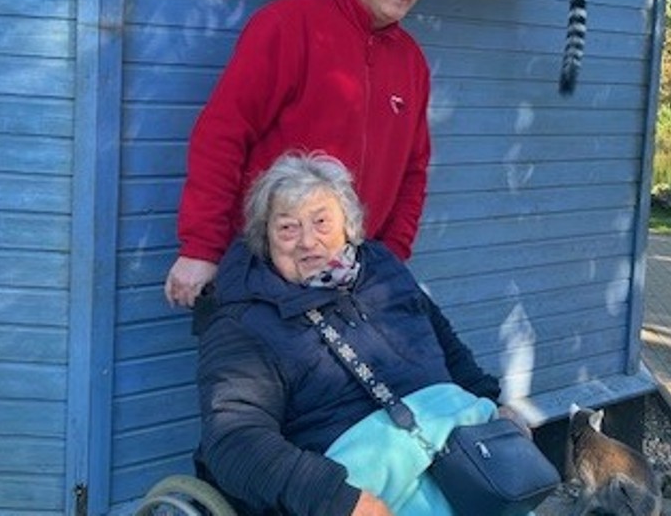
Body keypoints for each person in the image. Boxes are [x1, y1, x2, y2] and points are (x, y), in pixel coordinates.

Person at [195, 152, 524, 516]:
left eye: (321, 222)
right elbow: (234, 440)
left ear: (348, 225)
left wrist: (491, 401)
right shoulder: (243, 322)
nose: (307, 241)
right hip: (356, 485)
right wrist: (336, 498)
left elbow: (447, 346)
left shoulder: (383, 269)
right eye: (288, 228)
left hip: (456, 450)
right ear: (265, 238)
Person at [165, 0, 436, 308]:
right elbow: (221, 135)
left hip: (354, 278)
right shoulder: (288, 25)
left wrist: (390, 257)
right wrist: (202, 247)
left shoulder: (411, 62)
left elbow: (413, 171)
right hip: (267, 272)